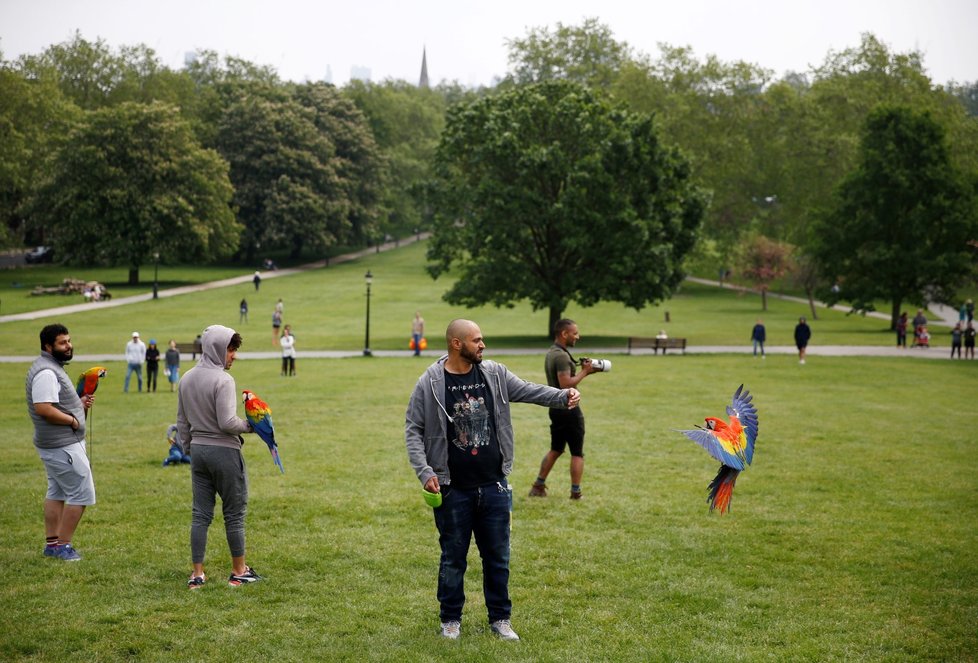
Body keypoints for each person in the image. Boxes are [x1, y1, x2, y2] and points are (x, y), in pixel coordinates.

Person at [405, 319, 581, 641]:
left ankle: (500, 619)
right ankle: (450, 620)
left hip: (495, 486)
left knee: (498, 558)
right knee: (453, 558)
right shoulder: (430, 382)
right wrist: (425, 472)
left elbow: (528, 390)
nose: (482, 345)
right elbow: (413, 430)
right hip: (452, 488)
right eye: (476, 340)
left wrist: (561, 396)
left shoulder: (494, 374)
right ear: (457, 344)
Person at [177, 325, 261, 590]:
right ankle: (239, 572)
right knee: (234, 513)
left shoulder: (186, 378)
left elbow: (181, 423)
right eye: (230, 349)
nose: (233, 355)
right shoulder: (223, 380)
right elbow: (227, 422)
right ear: (217, 349)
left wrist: (190, 449)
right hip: (224, 451)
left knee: (200, 514)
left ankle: (197, 575)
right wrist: (252, 426)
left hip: (199, 453)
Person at [26, 324, 96, 562]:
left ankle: (52, 544)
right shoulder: (46, 372)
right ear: (48, 346)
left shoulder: (51, 367)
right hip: (61, 444)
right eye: (62, 343)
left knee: (56, 491)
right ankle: (63, 546)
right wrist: (73, 420)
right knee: (82, 492)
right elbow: (44, 408)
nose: (69, 346)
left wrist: (79, 403)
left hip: (58, 444)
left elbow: (54, 402)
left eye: (69, 341)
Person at [529, 319, 595, 500]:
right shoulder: (562, 357)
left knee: (556, 448)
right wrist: (585, 372)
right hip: (570, 408)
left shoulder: (553, 352)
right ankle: (576, 492)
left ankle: (538, 486)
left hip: (555, 408)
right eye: (575, 333)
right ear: (564, 334)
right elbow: (565, 384)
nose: (577, 337)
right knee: (577, 452)